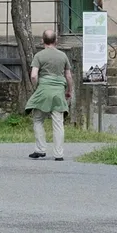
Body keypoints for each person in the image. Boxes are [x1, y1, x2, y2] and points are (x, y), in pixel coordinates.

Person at [25, 28, 72, 160]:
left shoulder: (39, 56)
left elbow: (34, 76)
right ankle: (58, 154)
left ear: (42, 41)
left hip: (43, 91)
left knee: (38, 119)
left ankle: (40, 149)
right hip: (58, 92)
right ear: (56, 41)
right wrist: (69, 90)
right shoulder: (63, 56)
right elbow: (68, 76)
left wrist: (37, 88)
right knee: (58, 123)